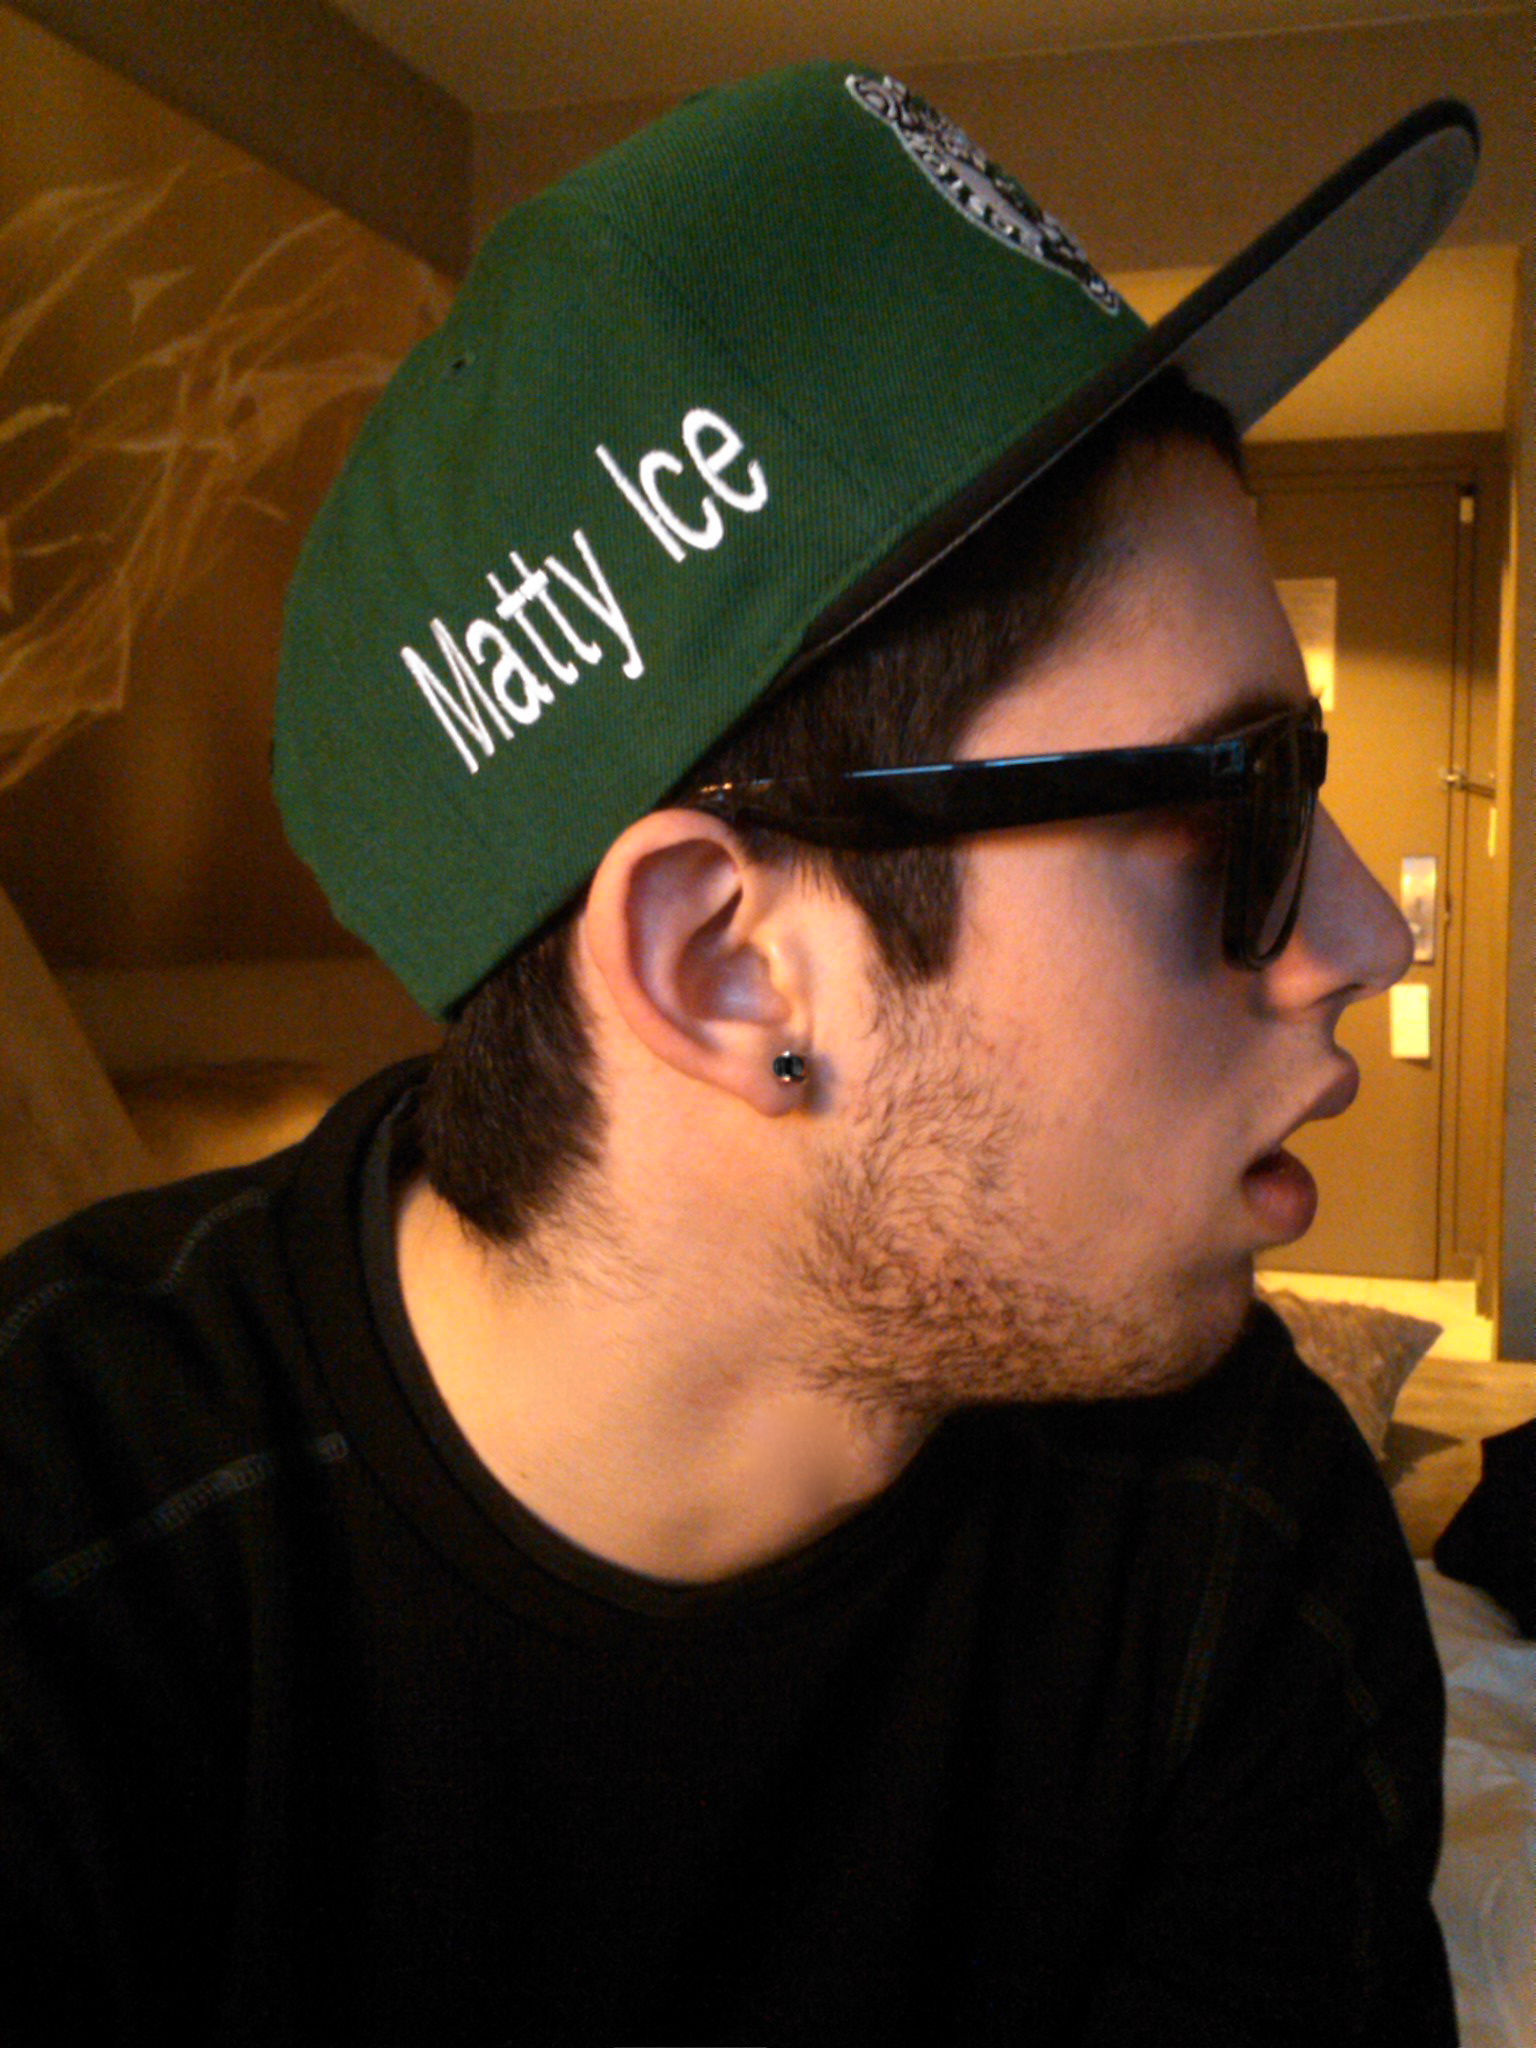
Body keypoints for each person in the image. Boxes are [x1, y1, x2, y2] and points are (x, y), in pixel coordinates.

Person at [1, 64, 1478, 2045]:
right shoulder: (63, 1555)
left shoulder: (1234, 1541)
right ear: (726, 967)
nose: (1369, 938)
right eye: (1234, 803)